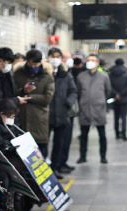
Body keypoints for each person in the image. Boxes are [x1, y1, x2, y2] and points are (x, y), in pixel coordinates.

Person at [13, 49, 55, 157]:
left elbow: (47, 98)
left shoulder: (47, 76)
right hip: (21, 117)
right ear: (27, 61)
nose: (33, 66)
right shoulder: (18, 74)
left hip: (39, 119)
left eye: (36, 64)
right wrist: (23, 91)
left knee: (40, 152)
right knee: (23, 153)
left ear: (41, 62)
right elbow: (11, 93)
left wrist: (28, 96)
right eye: (31, 64)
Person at [76, 54, 112, 164]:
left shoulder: (104, 76)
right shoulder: (80, 76)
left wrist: (100, 101)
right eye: (89, 60)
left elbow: (108, 91)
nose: (90, 62)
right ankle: (82, 156)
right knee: (83, 135)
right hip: (85, 109)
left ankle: (103, 156)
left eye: (93, 60)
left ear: (97, 63)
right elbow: (78, 92)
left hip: (98, 109)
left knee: (102, 135)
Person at [48, 48, 78, 176]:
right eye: (52, 56)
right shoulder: (44, 73)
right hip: (46, 115)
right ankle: (43, 170)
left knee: (59, 143)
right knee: (43, 144)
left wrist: (67, 103)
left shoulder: (65, 75)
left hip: (62, 113)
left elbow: (73, 91)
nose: (55, 59)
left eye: (57, 57)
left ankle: (56, 167)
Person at [109, 58, 127, 141]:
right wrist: (121, 94)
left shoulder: (111, 73)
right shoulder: (126, 73)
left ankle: (116, 133)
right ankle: (124, 133)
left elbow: (109, 86)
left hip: (115, 99)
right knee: (123, 117)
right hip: (124, 98)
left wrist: (116, 94)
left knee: (116, 117)